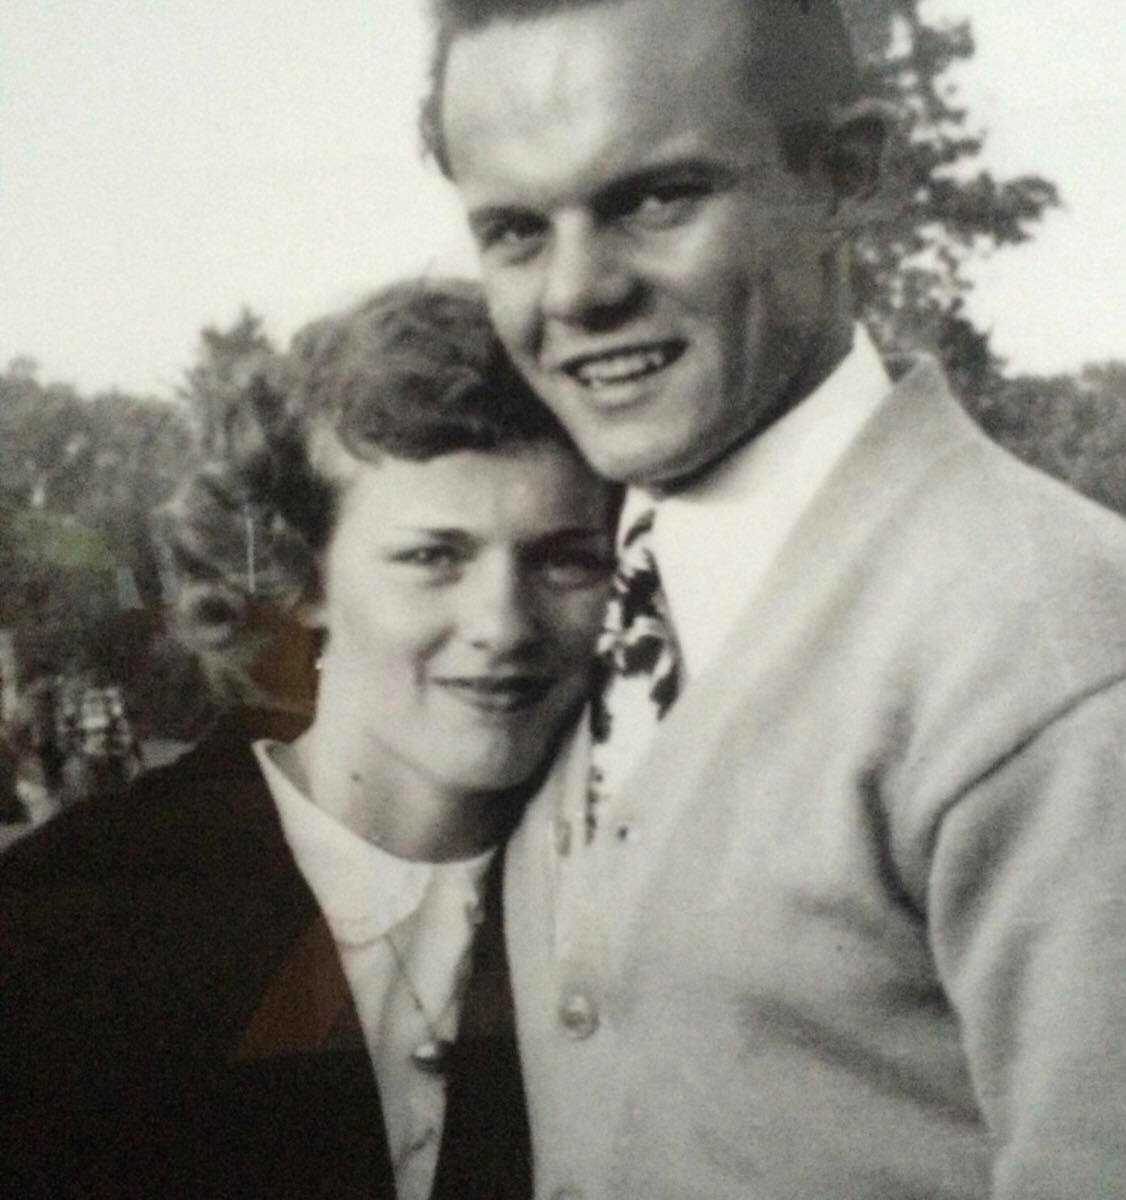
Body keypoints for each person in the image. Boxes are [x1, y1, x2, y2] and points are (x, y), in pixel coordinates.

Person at [423, 1, 1126, 1196]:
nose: (577, 292)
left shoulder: (1043, 645)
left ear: (848, 173)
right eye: (513, 231)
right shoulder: (560, 586)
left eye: (655, 198)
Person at [0, 279, 617, 1200]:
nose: (503, 625)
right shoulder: (66, 916)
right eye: (431, 557)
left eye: (564, 558)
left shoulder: (637, 908)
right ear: (304, 579)